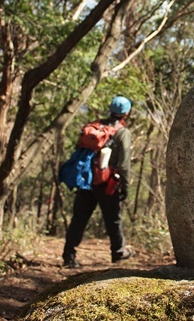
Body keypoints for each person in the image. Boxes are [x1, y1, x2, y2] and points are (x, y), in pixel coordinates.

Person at [62, 95, 133, 267]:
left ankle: (69, 255)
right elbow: (124, 164)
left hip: (87, 181)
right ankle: (118, 253)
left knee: (79, 217)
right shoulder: (122, 133)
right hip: (107, 183)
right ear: (126, 114)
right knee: (113, 219)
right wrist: (125, 187)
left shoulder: (95, 127)